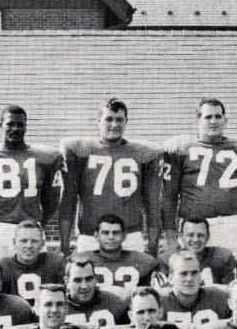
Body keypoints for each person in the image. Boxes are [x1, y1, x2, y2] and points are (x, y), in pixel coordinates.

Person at [58, 97, 164, 255]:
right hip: (90, 236)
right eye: (109, 119)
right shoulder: (80, 150)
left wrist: (153, 246)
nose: (114, 125)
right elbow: (68, 200)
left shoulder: (144, 153)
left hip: (130, 236)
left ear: (126, 122)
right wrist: (64, 245)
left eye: (120, 119)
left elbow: (153, 205)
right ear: (98, 121)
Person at [161, 99, 237, 256]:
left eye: (218, 117)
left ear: (225, 120)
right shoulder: (180, 149)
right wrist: (170, 237)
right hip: (194, 226)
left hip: (232, 225)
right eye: (208, 117)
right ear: (197, 120)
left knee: (234, 275)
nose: (213, 121)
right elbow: (169, 197)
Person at [0, 105, 62, 261]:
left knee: (35, 278)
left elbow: (51, 202)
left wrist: (39, 225)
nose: (15, 129)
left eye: (20, 124)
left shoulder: (44, 157)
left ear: (26, 126)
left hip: (31, 226)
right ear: (0, 125)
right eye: (10, 124)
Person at [0, 220, 65, 307]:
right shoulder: (4, 266)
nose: (28, 246)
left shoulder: (55, 262)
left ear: (42, 244)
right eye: (23, 241)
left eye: (34, 241)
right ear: (14, 243)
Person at [157, 250, 231, 329]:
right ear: (170, 278)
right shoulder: (159, 300)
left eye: (194, 273)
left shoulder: (218, 297)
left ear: (200, 276)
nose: (189, 278)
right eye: (183, 273)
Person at [87, 215, 160, 294]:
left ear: (124, 236)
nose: (111, 237)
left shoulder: (144, 261)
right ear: (96, 235)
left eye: (116, 233)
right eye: (105, 233)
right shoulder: (83, 260)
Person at [62, 254, 130, 329]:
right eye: (77, 280)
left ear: (95, 279)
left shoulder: (115, 303)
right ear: (67, 282)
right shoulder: (58, 306)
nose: (84, 286)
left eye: (89, 279)